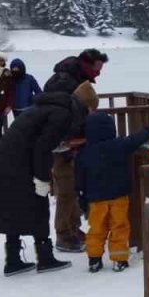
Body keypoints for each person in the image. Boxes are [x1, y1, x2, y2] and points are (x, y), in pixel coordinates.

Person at [0, 90, 90, 276]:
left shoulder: (45, 108)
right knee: (39, 202)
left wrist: (62, 146)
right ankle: (45, 258)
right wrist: (42, 179)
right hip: (22, 161)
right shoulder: (63, 114)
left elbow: (40, 140)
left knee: (14, 206)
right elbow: (42, 148)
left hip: (8, 157)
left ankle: (12, 260)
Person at [76, 113, 149, 272]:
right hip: (119, 196)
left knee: (96, 229)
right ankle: (119, 259)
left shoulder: (84, 153)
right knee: (120, 227)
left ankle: (94, 259)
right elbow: (136, 138)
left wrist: (82, 198)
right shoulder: (120, 145)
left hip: (95, 200)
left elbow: (79, 179)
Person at [52, 81, 99, 252]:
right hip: (62, 159)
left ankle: (73, 228)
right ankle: (63, 234)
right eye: (91, 108)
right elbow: (57, 141)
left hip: (70, 159)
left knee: (73, 192)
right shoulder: (67, 113)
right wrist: (75, 144)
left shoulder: (74, 112)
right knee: (65, 195)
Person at [44, 48, 108, 95]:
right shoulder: (64, 81)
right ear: (87, 65)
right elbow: (60, 109)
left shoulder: (78, 77)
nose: (98, 73)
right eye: (97, 69)